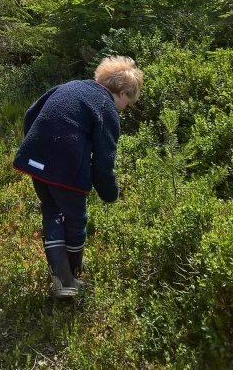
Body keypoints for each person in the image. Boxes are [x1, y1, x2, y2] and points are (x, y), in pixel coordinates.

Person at [13, 56, 143, 299]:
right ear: (123, 92)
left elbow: (31, 114)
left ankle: (62, 279)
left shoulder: (69, 86)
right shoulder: (107, 107)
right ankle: (72, 277)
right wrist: (110, 193)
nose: (126, 107)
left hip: (34, 157)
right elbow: (104, 161)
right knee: (75, 218)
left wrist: (35, 145)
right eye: (129, 101)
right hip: (66, 166)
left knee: (52, 210)